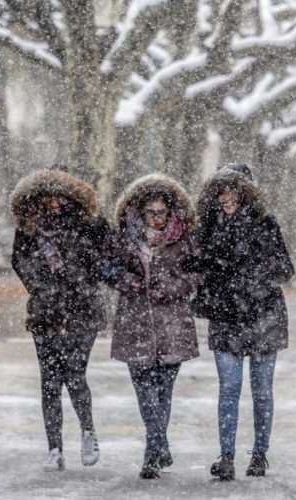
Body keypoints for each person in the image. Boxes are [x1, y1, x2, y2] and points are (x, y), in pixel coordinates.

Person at [189, 168, 294, 481]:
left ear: (248, 193)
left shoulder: (266, 225)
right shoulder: (206, 227)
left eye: (234, 191)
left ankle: (260, 454)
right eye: (222, 191)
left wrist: (252, 276)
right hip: (226, 318)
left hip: (264, 317)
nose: (227, 198)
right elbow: (196, 267)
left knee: (261, 391)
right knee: (229, 389)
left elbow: (285, 270)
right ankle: (227, 456)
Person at [9, 167, 108, 471]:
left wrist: (82, 279)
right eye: (48, 194)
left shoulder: (89, 223)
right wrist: (39, 286)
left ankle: (88, 431)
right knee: (50, 382)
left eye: (60, 193)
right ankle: (55, 448)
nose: (54, 200)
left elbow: (105, 256)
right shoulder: (29, 225)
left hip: (83, 312)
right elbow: (19, 259)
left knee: (75, 374)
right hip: (45, 314)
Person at [103, 174, 199, 479]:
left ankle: (153, 449)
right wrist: (127, 281)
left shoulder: (185, 237)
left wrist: (174, 287)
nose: (156, 219)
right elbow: (106, 266)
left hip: (172, 325)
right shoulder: (123, 236)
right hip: (135, 324)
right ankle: (157, 445)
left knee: (163, 390)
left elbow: (199, 273)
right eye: (150, 213)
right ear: (139, 212)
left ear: (170, 212)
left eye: (161, 213)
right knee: (145, 392)